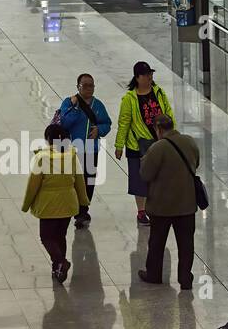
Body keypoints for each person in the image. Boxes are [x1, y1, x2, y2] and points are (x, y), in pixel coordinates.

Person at [138, 113, 201, 289]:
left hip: (161, 207)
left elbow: (145, 174)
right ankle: (185, 278)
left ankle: (154, 274)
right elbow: (197, 163)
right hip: (187, 204)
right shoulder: (189, 141)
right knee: (186, 244)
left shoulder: (157, 148)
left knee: (157, 242)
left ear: (158, 129)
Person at [22, 122, 89, 282]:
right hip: (68, 203)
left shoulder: (41, 158)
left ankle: (60, 262)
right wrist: (83, 201)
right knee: (60, 236)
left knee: (46, 237)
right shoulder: (72, 156)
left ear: (48, 140)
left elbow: (33, 184)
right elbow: (79, 180)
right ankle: (57, 269)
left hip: (48, 205)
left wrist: (26, 204)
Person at [114, 61, 174, 226]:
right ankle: (141, 211)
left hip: (160, 143)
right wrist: (119, 145)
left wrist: (172, 135)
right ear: (137, 77)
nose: (149, 77)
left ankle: (157, 207)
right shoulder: (129, 98)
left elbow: (168, 113)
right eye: (146, 75)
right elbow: (124, 122)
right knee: (139, 179)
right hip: (137, 145)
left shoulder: (159, 92)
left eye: (150, 74)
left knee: (160, 177)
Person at [56, 74, 111, 227]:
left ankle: (83, 210)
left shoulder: (98, 105)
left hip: (91, 150)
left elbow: (107, 123)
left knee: (89, 181)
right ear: (78, 86)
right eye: (85, 85)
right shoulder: (69, 102)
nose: (88, 88)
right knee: (72, 180)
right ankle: (72, 207)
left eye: (91, 85)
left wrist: (99, 130)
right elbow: (65, 123)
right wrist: (74, 107)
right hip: (73, 149)